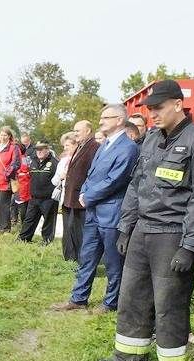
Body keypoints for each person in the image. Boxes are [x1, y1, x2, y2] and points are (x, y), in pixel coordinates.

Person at [98, 80, 194, 361]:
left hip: (172, 235)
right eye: (150, 109)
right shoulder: (152, 139)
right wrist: (126, 226)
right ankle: (129, 356)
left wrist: (190, 246)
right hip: (142, 230)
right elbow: (136, 185)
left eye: (158, 108)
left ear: (178, 105)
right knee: (132, 296)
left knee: (169, 303)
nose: (152, 114)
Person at [52, 105, 139, 313]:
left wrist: (88, 195)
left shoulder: (128, 147)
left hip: (111, 212)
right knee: (87, 256)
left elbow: (115, 179)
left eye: (105, 118)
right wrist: (85, 192)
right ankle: (78, 298)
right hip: (93, 211)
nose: (100, 121)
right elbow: (92, 174)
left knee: (112, 261)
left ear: (119, 120)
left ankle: (110, 303)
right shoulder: (105, 145)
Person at [62, 121, 100, 261]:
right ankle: (74, 259)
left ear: (88, 130)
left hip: (82, 198)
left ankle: (83, 260)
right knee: (72, 230)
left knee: (82, 233)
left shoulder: (94, 147)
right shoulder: (80, 146)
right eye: (75, 130)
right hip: (72, 196)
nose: (75, 133)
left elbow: (93, 172)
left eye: (78, 131)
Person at [19, 141, 59, 243]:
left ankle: (47, 241)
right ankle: (23, 239)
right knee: (29, 219)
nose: (39, 152)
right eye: (37, 149)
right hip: (34, 197)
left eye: (42, 149)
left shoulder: (54, 163)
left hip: (48, 198)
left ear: (47, 150)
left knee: (48, 221)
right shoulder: (33, 161)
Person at [0, 127, 21, 233]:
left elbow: (16, 163)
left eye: (5, 135)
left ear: (9, 136)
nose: (3, 137)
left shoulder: (13, 148)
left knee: (3, 204)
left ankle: (5, 228)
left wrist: (7, 175)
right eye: (1, 135)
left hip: (5, 181)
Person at [13, 133, 36, 225]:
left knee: (22, 206)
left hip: (21, 184)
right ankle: (26, 222)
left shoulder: (19, 159)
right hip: (26, 183)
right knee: (26, 205)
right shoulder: (26, 158)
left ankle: (24, 223)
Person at [52, 132, 77, 208]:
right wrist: (61, 178)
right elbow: (54, 181)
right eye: (64, 146)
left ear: (76, 145)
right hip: (64, 199)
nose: (65, 148)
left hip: (77, 200)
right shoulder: (63, 161)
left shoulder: (81, 159)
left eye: (67, 145)